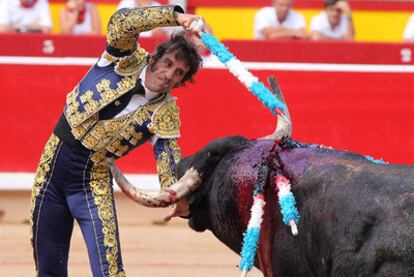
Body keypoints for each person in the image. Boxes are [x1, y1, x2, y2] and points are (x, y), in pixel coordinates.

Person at [30, 5, 205, 276]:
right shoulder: (124, 58)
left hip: (92, 182)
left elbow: (169, 164)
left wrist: (178, 197)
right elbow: (124, 21)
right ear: (154, 58)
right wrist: (176, 16)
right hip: (51, 168)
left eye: (179, 73)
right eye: (169, 63)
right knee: (49, 270)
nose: (170, 74)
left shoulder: (166, 112)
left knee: (110, 271)